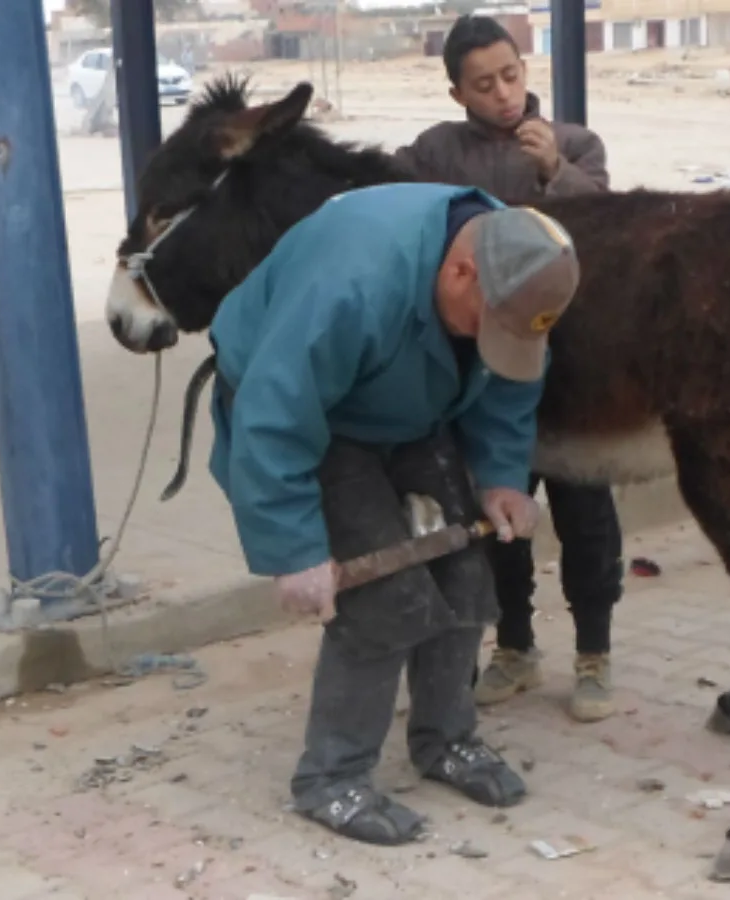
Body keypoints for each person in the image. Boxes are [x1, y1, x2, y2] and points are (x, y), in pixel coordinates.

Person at [206, 182, 581, 845]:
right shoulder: (350, 282)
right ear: (460, 271)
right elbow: (275, 414)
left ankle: (445, 740)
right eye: (485, 325)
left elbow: (510, 378)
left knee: (467, 576)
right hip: (307, 411)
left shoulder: (520, 264)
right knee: (383, 599)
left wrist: (501, 475)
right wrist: (293, 549)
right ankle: (332, 777)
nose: (489, 340)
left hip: (408, 399)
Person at [392, 13, 624, 723]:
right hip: (487, 371)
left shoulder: (575, 144)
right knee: (498, 513)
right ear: (457, 93)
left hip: (573, 370)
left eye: (511, 76)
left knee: (586, 515)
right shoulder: (436, 153)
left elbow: (610, 232)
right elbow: (393, 206)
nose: (503, 95)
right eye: (484, 84)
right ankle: (515, 646)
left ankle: (594, 654)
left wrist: (556, 171)